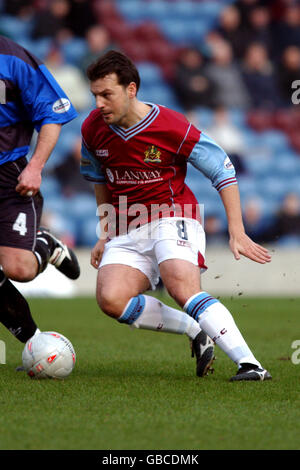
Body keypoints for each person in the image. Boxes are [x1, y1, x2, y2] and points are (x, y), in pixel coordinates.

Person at [80, 50, 272, 381]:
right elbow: (100, 181)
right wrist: (105, 233)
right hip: (128, 226)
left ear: (131, 90)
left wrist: (237, 231)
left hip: (173, 215)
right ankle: (194, 328)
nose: (99, 103)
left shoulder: (171, 125)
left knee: (180, 285)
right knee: (111, 300)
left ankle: (251, 365)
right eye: (95, 94)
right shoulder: (92, 129)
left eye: (106, 94)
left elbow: (223, 170)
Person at [0, 35, 80, 352]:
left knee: (19, 269)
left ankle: (45, 242)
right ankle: (34, 342)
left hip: (10, 176)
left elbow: (52, 112)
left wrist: (35, 167)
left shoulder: (14, 58)